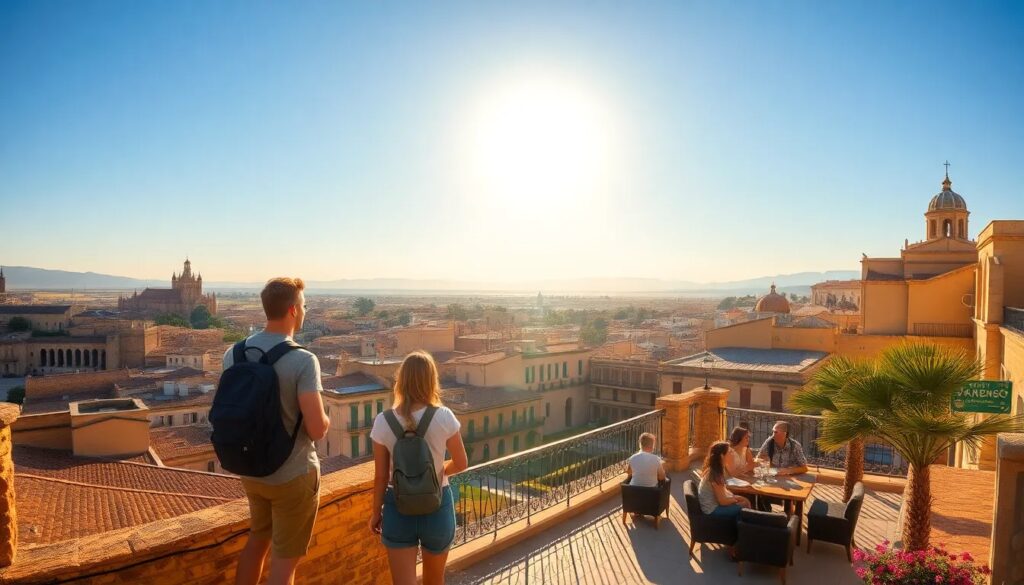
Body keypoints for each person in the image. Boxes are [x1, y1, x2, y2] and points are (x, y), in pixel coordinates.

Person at [229, 278, 331, 585]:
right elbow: (316, 428)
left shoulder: (233, 354)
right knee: (285, 566)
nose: (304, 311)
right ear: (292, 310)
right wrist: (325, 419)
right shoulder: (303, 360)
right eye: (303, 305)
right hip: (293, 475)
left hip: (251, 471)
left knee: (256, 544)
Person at [368, 351, 469, 585]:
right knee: (434, 581)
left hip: (398, 505)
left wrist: (376, 512)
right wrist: (439, 473)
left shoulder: (383, 421)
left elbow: (381, 476)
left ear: (401, 380)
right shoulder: (444, 416)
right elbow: (462, 463)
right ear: (431, 380)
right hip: (437, 502)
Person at [698, 441, 752, 521]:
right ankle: (742, 530)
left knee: (745, 502)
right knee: (745, 505)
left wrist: (738, 498)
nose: (733, 453)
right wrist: (737, 499)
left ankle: (739, 528)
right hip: (712, 510)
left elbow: (723, 493)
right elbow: (722, 501)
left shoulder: (718, 469)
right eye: (730, 452)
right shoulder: (715, 473)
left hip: (714, 505)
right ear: (722, 456)